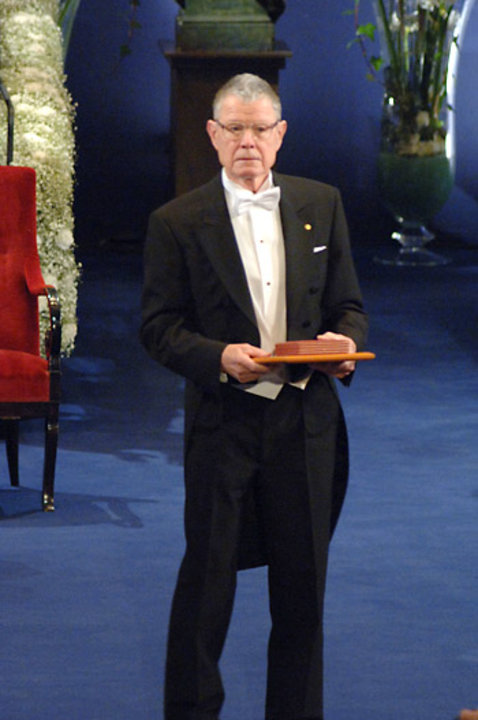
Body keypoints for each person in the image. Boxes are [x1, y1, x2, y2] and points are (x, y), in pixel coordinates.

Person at [140, 73, 369, 720]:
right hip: (224, 422)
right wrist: (216, 357)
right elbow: (158, 327)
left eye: (260, 129)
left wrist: (345, 344)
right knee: (207, 583)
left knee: (303, 589)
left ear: (281, 134)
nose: (248, 141)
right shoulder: (176, 222)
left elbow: (349, 307)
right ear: (213, 136)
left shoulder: (322, 203)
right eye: (234, 129)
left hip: (306, 421)